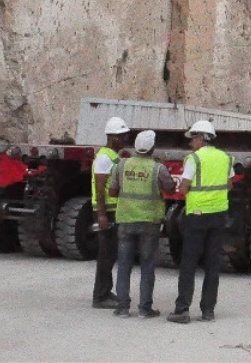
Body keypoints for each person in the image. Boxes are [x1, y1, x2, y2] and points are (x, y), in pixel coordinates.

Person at [169, 120, 233, 325]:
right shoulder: (226, 158)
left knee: (188, 263)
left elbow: (183, 187)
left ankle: (182, 310)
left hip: (197, 216)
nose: (191, 143)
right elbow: (229, 184)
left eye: (193, 138)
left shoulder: (194, 159)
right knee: (213, 264)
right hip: (218, 215)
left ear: (202, 138)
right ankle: (208, 311)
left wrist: (186, 192)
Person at [108, 130, 177, 318]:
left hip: (126, 220)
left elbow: (113, 192)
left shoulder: (122, 165)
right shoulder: (157, 168)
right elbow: (171, 189)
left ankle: (122, 308)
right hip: (149, 222)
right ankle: (145, 309)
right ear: (152, 148)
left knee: (124, 265)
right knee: (147, 265)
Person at [92, 116, 131, 309]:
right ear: (112, 137)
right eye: (122, 136)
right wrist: (101, 215)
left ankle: (105, 291)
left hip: (113, 210)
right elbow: (100, 189)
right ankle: (100, 296)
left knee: (111, 253)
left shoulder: (113, 157)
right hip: (106, 211)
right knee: (106, 254)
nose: (125, 139)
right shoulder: (104, 158)